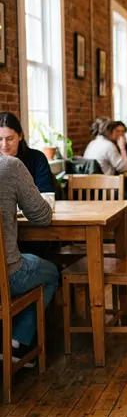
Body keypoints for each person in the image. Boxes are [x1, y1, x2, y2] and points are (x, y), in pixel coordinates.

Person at [0, 155, 59, 366]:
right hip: (7, 276)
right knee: (51, 272)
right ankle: (18, 343)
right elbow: (42, 217)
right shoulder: (10, 166)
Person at [0, 112, 54, 193]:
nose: (4, 145)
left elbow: (45, 193)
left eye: (10, 138)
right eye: (0, 139)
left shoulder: (37, 158)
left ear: (20, 136)